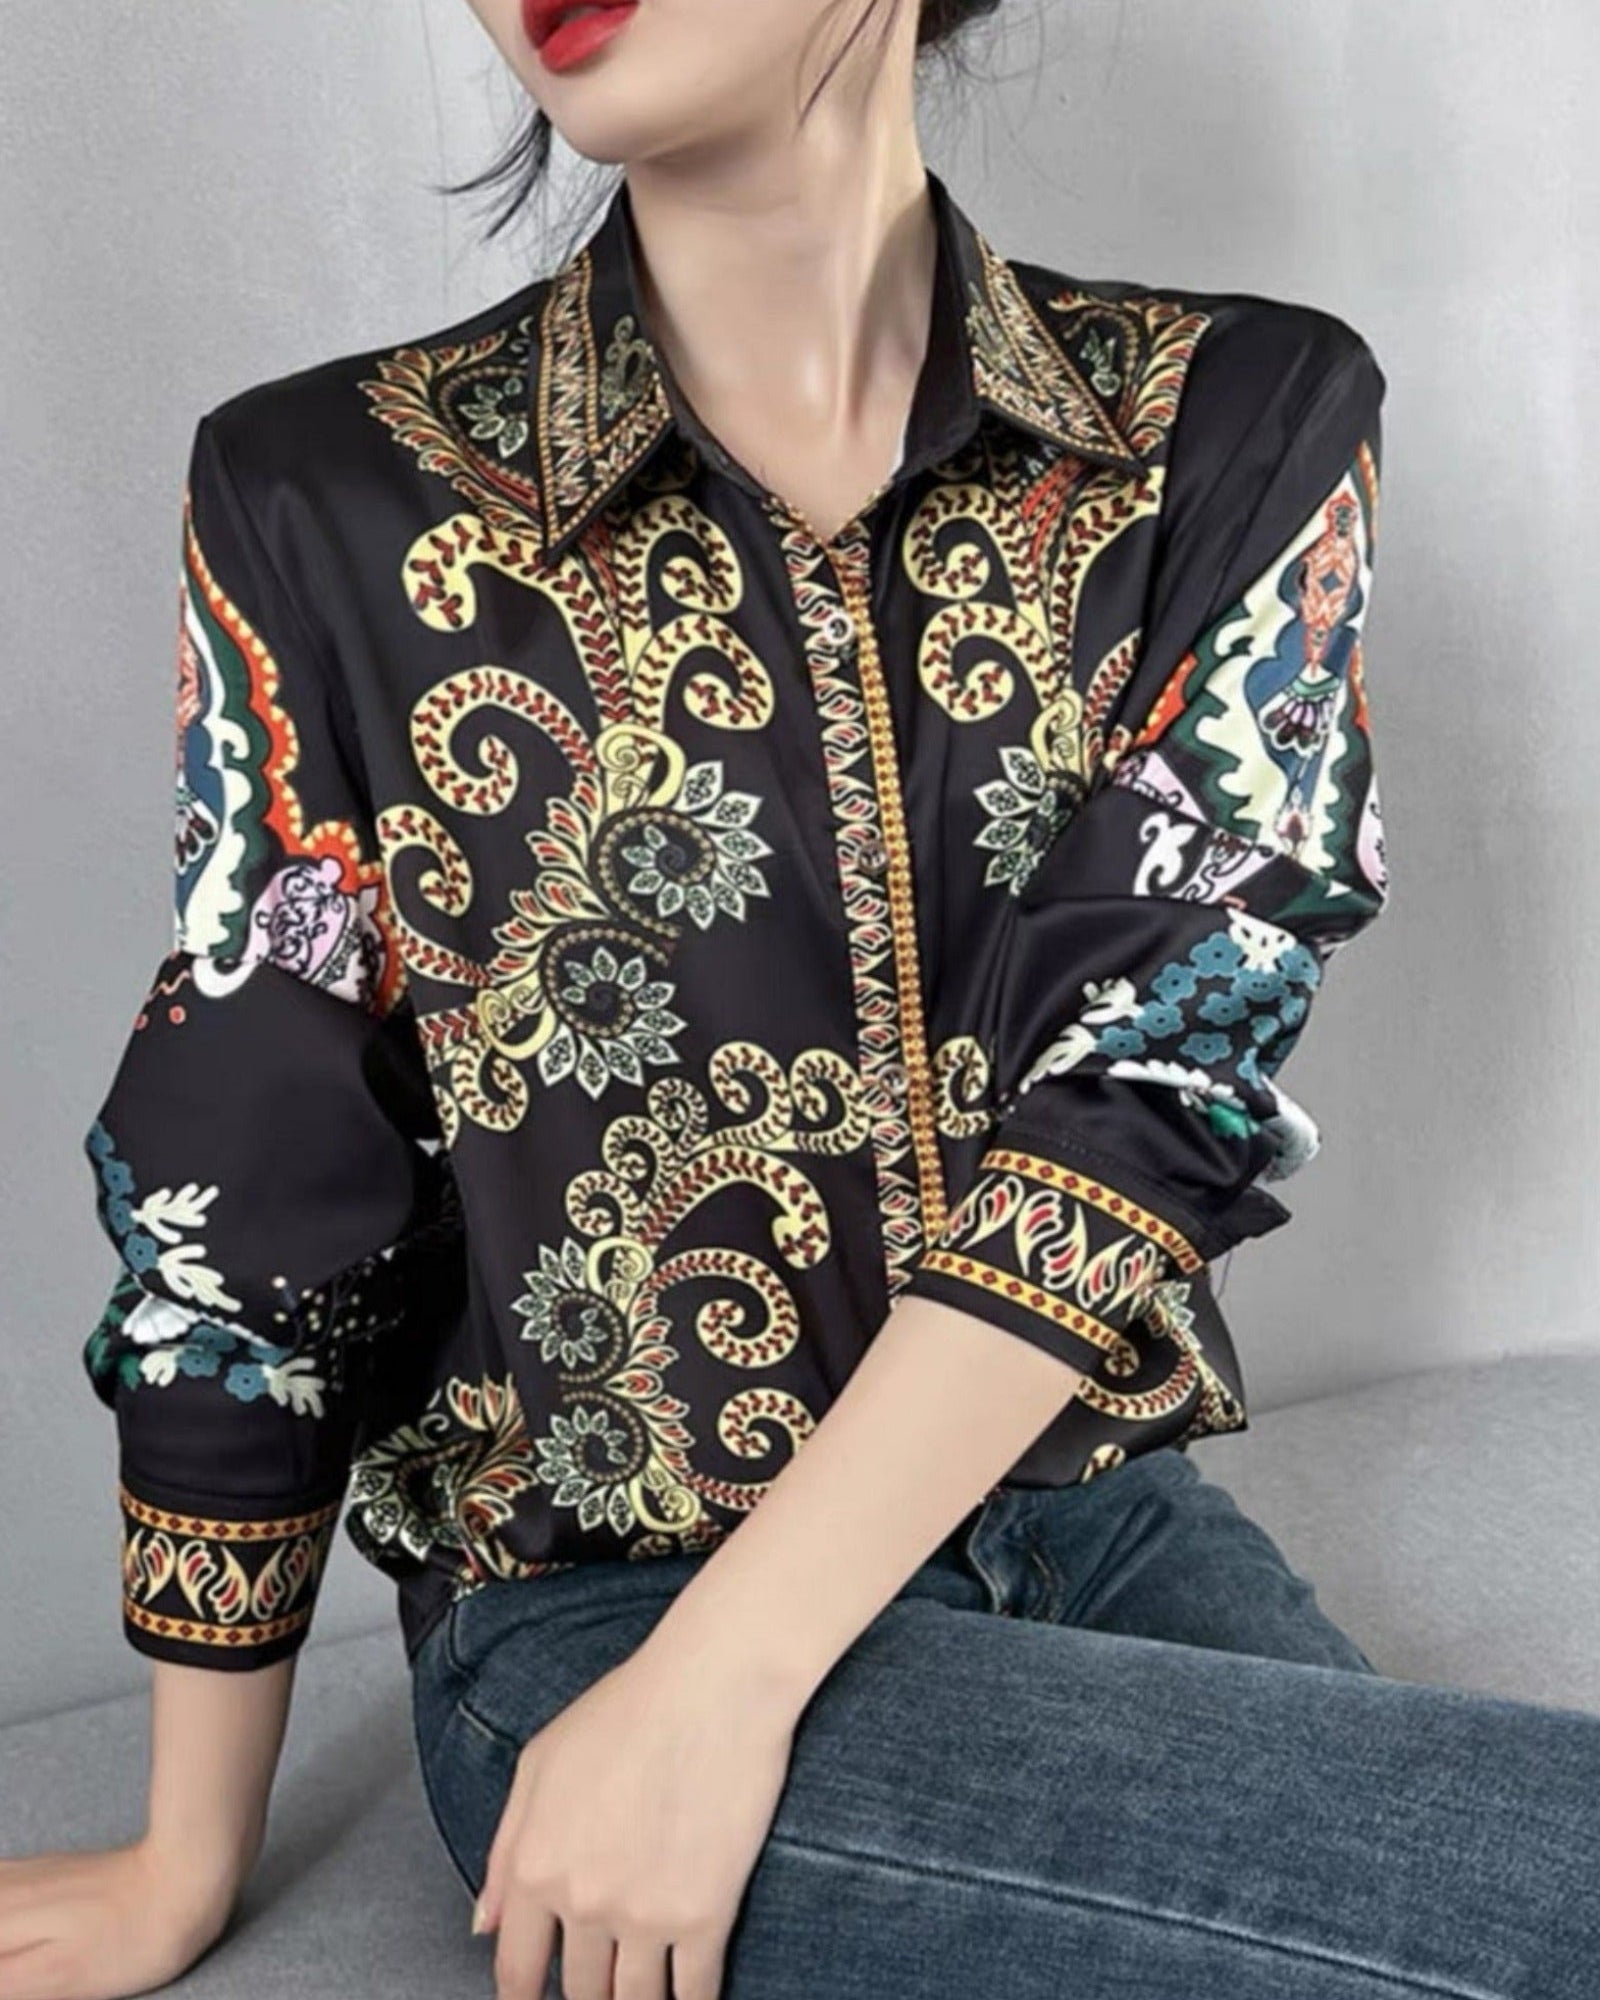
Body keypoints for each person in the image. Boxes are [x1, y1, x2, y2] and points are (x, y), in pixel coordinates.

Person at [7, 3, 1600, 1998]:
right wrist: (186, 1853)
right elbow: (254, 1187)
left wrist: (746, 1667)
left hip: (1099, 1532)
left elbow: (1152, 1077)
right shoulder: (326, 495)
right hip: (599, 1616)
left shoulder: (1229, 421)